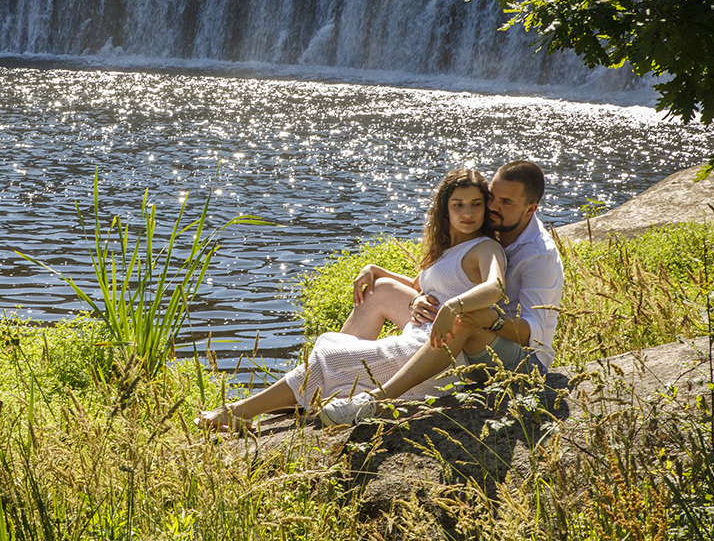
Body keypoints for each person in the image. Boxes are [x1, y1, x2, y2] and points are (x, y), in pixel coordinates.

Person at [198, 168, 507, 431]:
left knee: (328, 358)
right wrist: (374, 269)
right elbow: (418, 285)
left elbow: (496, 287)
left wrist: (454, 306)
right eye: (458, 205)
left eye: (476, 205)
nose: (467, 213)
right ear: (445, 209)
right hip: (420, 331)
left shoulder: (484, 248)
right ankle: (314, 390)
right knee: (372, 296)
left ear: (484, 208)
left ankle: (237, 412)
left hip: (437, 349)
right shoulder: (444, 248)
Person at [317, 159, 564, 424]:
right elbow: (433, 282)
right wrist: (396, 283)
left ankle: (375, 401)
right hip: (467, 337)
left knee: (466, 316)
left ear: (530, 209)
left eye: (506, 203)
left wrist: (489, 318)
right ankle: (329, 373)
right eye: (492, 197)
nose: (493, 207)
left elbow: (533, 336)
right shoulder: (491, 224)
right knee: (381, 290)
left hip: (519, 358)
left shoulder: (540, 257)